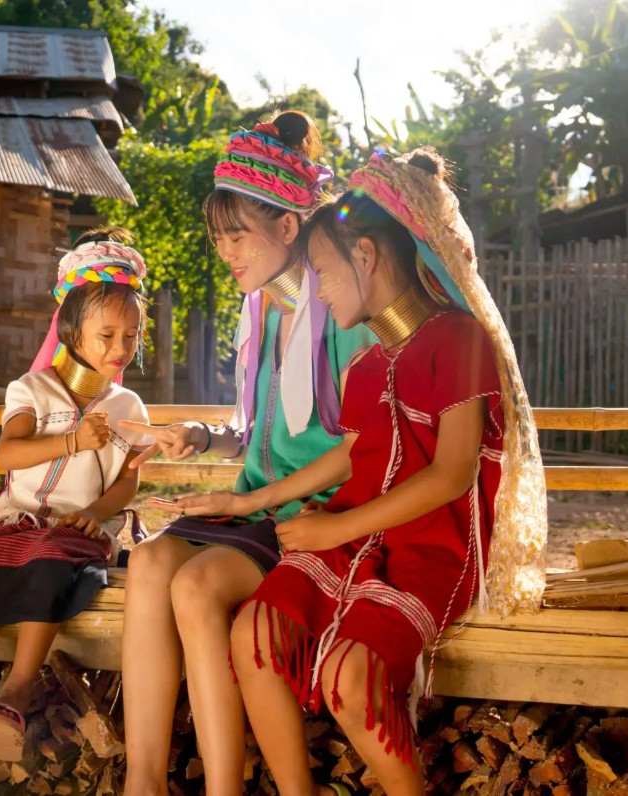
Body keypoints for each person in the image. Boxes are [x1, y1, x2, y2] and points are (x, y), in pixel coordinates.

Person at [220, 148, 546, 796]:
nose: (319, 291)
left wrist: (335, 531)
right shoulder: (367, 366)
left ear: (364, 255)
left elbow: (452, 475)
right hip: (353, 536)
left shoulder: (459, 340)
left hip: (431, 550)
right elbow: (351, 454)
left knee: (351, 677)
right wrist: (249, 503)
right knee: (254, 631)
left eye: (324, 272)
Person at [120, 111, 376, 796]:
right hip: (256, 505)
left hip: (315, 512)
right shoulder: (259, 309)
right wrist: (205, 437)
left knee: (196, 586)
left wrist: (252, 500)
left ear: (288, 227)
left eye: (238, 236)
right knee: (148, 562)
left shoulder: (345, 315)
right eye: (219, 238)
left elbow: (360, 452)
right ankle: (141, 782)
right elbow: (259, 430)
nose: (225, 252)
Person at [0, 227, 152, 763]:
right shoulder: (31, 389)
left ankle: (17, 690)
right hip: (19, 520)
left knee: (51, 563)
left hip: (78, 529)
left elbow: (129, 480)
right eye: (106, 335)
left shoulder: (128, 406)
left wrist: (97, 513)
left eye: (131, 336)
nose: (120, 349)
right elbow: (8, 455)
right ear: (71, 331)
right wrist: (73, 439)